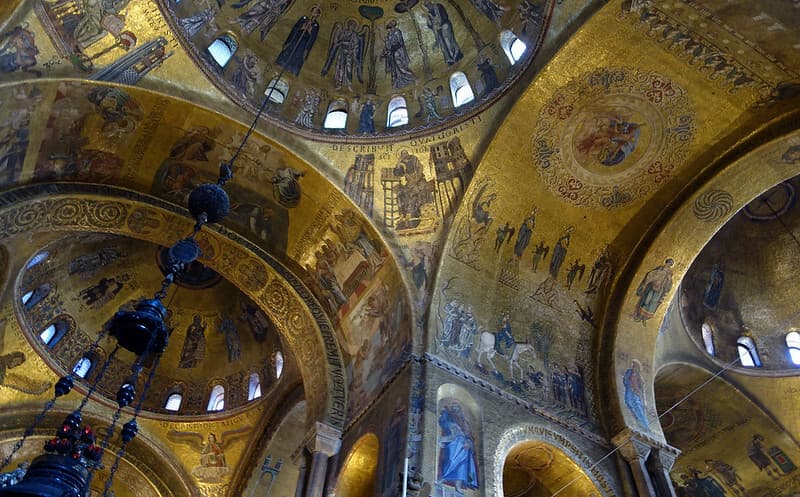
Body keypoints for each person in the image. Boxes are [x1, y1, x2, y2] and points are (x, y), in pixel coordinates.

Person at [438, 405, 478, 492]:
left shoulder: (464, 422)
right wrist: (444, 412)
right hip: (452, 441)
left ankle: (458, 485)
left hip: (463, 444)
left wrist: (469, 442)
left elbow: (469, 435)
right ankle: (444, 477)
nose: (455, 410)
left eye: (457, 408)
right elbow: (443, 423)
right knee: (450, 459)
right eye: (453, 408)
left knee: (462, 465)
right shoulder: (449, 418)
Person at [321, 19, 367, 90]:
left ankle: (349, 84)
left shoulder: (354, 35)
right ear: (348, 25)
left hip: (350, 54)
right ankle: (339, 83)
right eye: (350, 25)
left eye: (353, 26)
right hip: (342, 52)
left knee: (349, 69)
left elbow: (356, 46)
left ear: (354, 27)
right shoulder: (344, 33)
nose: (351, 27)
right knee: (340, 67)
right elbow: (337, 42)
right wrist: (338, 31)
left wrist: (352, 52)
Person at [276, 6, 320, 76]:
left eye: (316, 12)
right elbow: (294, 28)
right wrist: (301, 27)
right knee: (289, 50)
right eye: (313, 11)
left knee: (298, 54)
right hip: (296, 38)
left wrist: (310, 32)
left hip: (304, 43)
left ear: (318, 15)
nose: (314, 13)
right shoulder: (304, 18)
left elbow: (313, 37)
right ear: (311, 11)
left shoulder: (316, 25)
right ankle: (281, 63)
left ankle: (293, 69)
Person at [632, 258, 674, 323]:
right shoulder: (660, 268)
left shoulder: (670, 273)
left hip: (659, 291)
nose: (668, 265)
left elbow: (669, 284)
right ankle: (639, 315)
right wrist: (649, 281)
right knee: (646, 300)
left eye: (670, 264)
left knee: (652, 303)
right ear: (666, 262)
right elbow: (652, 274)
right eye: (668, 263)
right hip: (651, 287)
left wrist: (668, 279)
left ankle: (644, 318)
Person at [423, 1, 462, 66]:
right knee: (442, 43)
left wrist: (440, 23)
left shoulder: (438, 6)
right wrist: (427, 18)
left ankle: (456, 54)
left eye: (428, 4)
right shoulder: (428, 13)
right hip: (438, 30)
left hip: (445, 25)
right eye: (426, 5)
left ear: (431, 2)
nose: (428, 6)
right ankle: (449, 59)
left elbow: (445, 15)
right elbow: (430, 26)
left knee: (447, 37)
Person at [382, 20, 416, 89]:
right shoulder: (389, 34)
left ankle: (411, 77)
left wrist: (392, 47)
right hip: (392, 53)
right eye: (389, 23)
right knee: (394, 68)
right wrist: (387, 47)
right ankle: (398, 83)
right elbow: (388, 45)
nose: (389, 24)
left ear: (393, 24)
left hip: (398, 51)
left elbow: (400, 42)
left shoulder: (397, 31)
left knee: (401, 66)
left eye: (391, 23)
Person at [623, 359, 649, 430]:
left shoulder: (639, 376)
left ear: (638, 368)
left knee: (638, 407)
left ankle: (645, 425)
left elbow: (642, 388)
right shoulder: (629, 371)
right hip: (629, 391)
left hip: (635, 393)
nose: (633, 367)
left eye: (635, 366)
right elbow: (625, 380)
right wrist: (629, 385)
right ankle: (637, 420)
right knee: (628, 402)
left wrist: (645, 400)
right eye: (633, 365)